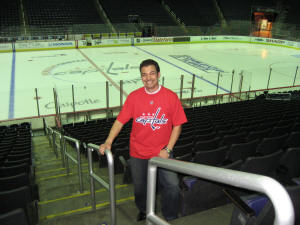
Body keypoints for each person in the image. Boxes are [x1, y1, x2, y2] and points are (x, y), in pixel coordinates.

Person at [99, 59, 187, 221]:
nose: (148, 78)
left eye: (152, 73)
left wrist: (168, 149)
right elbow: (120, 121)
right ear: (141, 77)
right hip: (138, 153)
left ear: (158, 74)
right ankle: (144, 210)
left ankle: (170, 216)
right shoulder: (134, 97)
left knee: (172, 185)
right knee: (140, 189)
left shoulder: (170, 97)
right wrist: (109, 141)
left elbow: (178, 125)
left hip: (162, 153)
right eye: (144, 75)